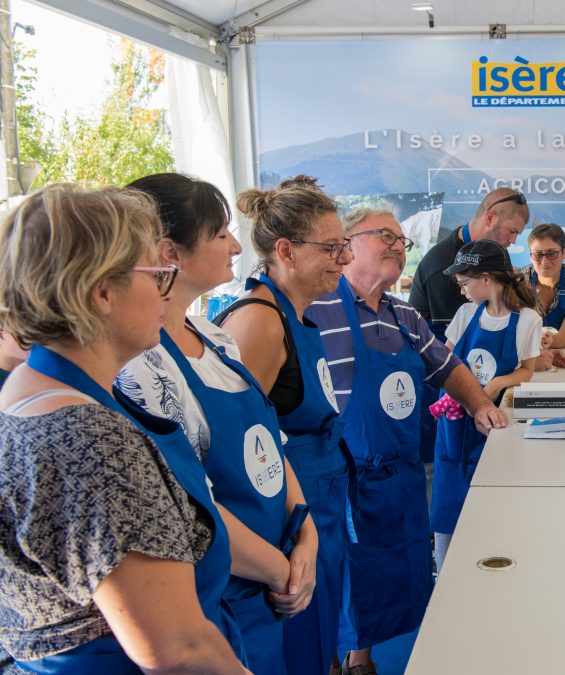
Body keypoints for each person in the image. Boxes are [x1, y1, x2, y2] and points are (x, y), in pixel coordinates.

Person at [0, 185, 248, 673]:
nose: (164, 290)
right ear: (102, 292)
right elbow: (178, 649)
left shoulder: (29, 390)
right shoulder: (88, 438)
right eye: (156, 274)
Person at [117, 173, 317, 675]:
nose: (234, 245)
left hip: (273, 579)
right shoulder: (142, 365)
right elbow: (187, 503)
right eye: (219, 233)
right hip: (227, 596)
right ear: (171, 252)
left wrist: (305, 530)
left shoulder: (216, 338)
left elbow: (268, 441)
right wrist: (281, 569)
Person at [306, 208, 508, 675]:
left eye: (402, 240)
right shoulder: (315, 311)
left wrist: (480, 405)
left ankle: (362, 663)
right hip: (342, 480)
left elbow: (448, 367)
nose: (398, 245)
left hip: (398, 478)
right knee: (339, 582)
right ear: (347, 245)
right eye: (385, 236)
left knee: (385, 579)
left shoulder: (405, 316)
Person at [215, 176, 352, 675]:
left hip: (318, 514)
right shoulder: (258, 323)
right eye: (332, 248)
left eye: (345, 246)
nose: (345, 259)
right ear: (286, 251)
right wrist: (291, 547)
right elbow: (235, 450)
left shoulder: (296, 316)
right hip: (283, 531)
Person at [431, 240, 541, 571]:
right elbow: (445, 360)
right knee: (447, 501)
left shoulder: (527, 321)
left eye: (466, 283)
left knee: (489, 501)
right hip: (453, 424)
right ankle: (445, 569)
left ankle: (484, 563)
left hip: (492, 425)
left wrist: (495, 384)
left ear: (487, 279)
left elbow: (527, 369)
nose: (463, 291)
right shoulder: (466, 315)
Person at [409, 188, 530, 340]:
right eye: (512, 231)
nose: (513, 241)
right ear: (490, 219)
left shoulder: (496, 249)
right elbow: (457, 344)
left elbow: (508, 307)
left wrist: (535, 347)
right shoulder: (442, 264)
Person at [518, 223, 565, 371]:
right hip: (527, 358)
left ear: (564, 253)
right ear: (530, 256)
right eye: (537, 254)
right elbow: (515, 333)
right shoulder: (518, 281)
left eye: (551, 254)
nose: (544, 262)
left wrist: (547, 341)